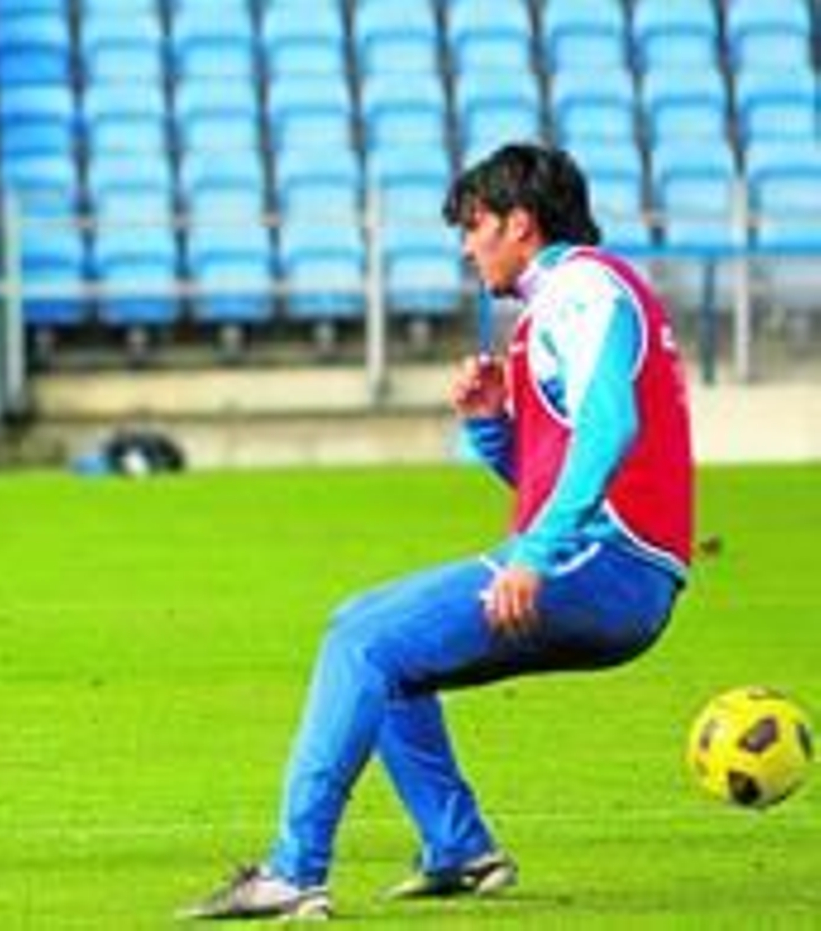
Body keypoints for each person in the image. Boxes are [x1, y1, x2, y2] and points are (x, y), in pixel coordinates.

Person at [183, 143, 694, 921]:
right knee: (369, 632)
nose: (465, 244)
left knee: (363, 646)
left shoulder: (582, 288)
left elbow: (610, 427)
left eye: (475, 225)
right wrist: (492, 424)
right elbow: (546, 474)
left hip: (608, 561)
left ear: (520, 224)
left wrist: (534, 554)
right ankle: (456, 846)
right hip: (615, 563)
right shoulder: (561, 304)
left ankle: (294, 871)